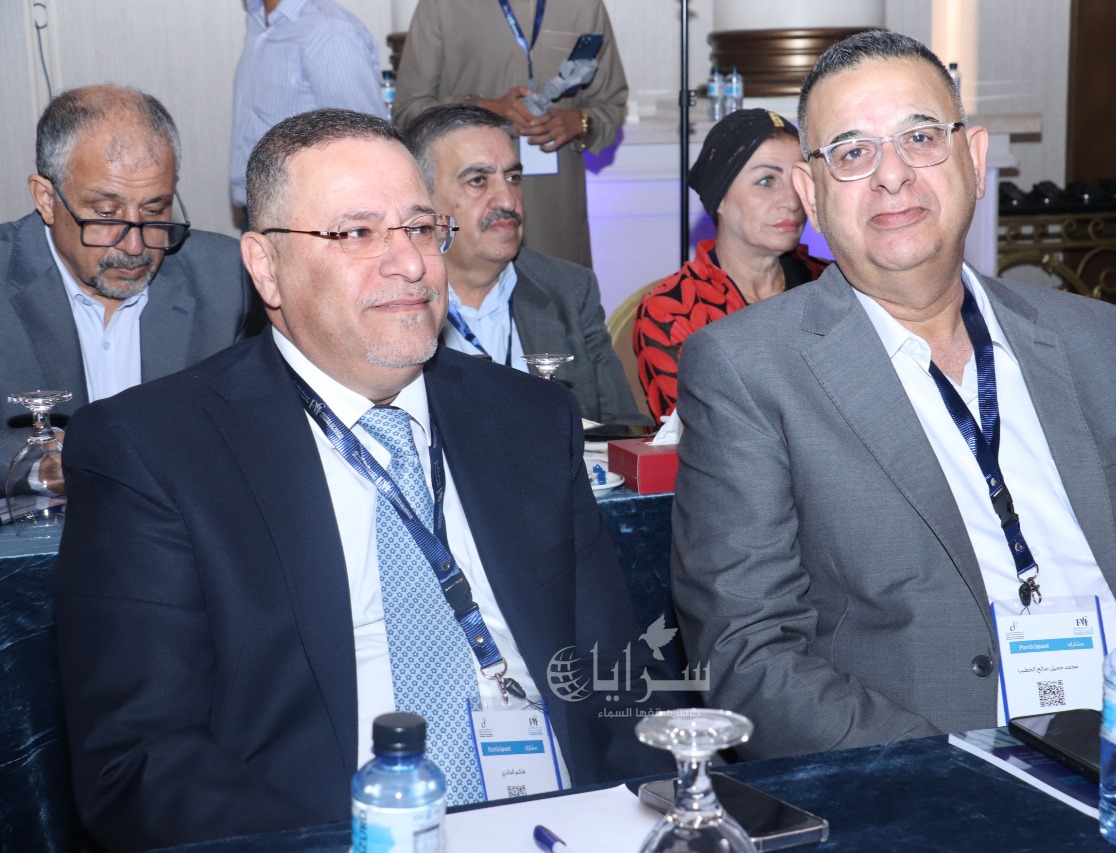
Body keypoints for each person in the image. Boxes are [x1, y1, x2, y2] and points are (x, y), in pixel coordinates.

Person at [54, 108, 667, 850]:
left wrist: (654, 823)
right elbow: (140, 763)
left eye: (420, 228)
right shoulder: (156, 450)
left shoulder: (530, 420)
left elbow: (616, 676)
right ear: (266, 265)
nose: (409, 263)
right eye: (357, 233)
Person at [670, 31, 1116, 761]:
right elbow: (750, 656)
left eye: (919, 137)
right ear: (811, 196)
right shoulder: (749, 369)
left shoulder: (1092, 339)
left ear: (973, 160)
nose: (891, 175)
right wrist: (957, 776)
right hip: (941, 771)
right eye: (851, 152)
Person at [0, 84, 258, 466]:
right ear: (46, 199)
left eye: (155, 211)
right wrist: (47, 464)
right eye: (106, 214)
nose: (135, 246)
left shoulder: (232, 279)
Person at [406, 102, 646, 425]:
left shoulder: (569, 290)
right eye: (478, 180)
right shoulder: (396, 299)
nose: (508, 199)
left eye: (513, 177)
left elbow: (623, 429)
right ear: (424, 203)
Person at [392, 0, 627, 269]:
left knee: (558, 289)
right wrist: (483, 109)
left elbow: (611, 104)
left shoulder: (584, 5)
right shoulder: (440, 6)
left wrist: (578, 122)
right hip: (469, 205)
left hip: (555, 208)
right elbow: (408, 111)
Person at [633, 109, 829, 421]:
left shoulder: (831, 283)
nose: (792, 201)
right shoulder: (674, 309)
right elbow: (701, 431)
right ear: (720, 197)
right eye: (766, 181)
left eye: (797, 180)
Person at [229, 0, 384, 223]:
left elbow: (367, 145)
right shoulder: (258, 19)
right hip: (260, 206)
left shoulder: (330, 31)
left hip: (309, 219)